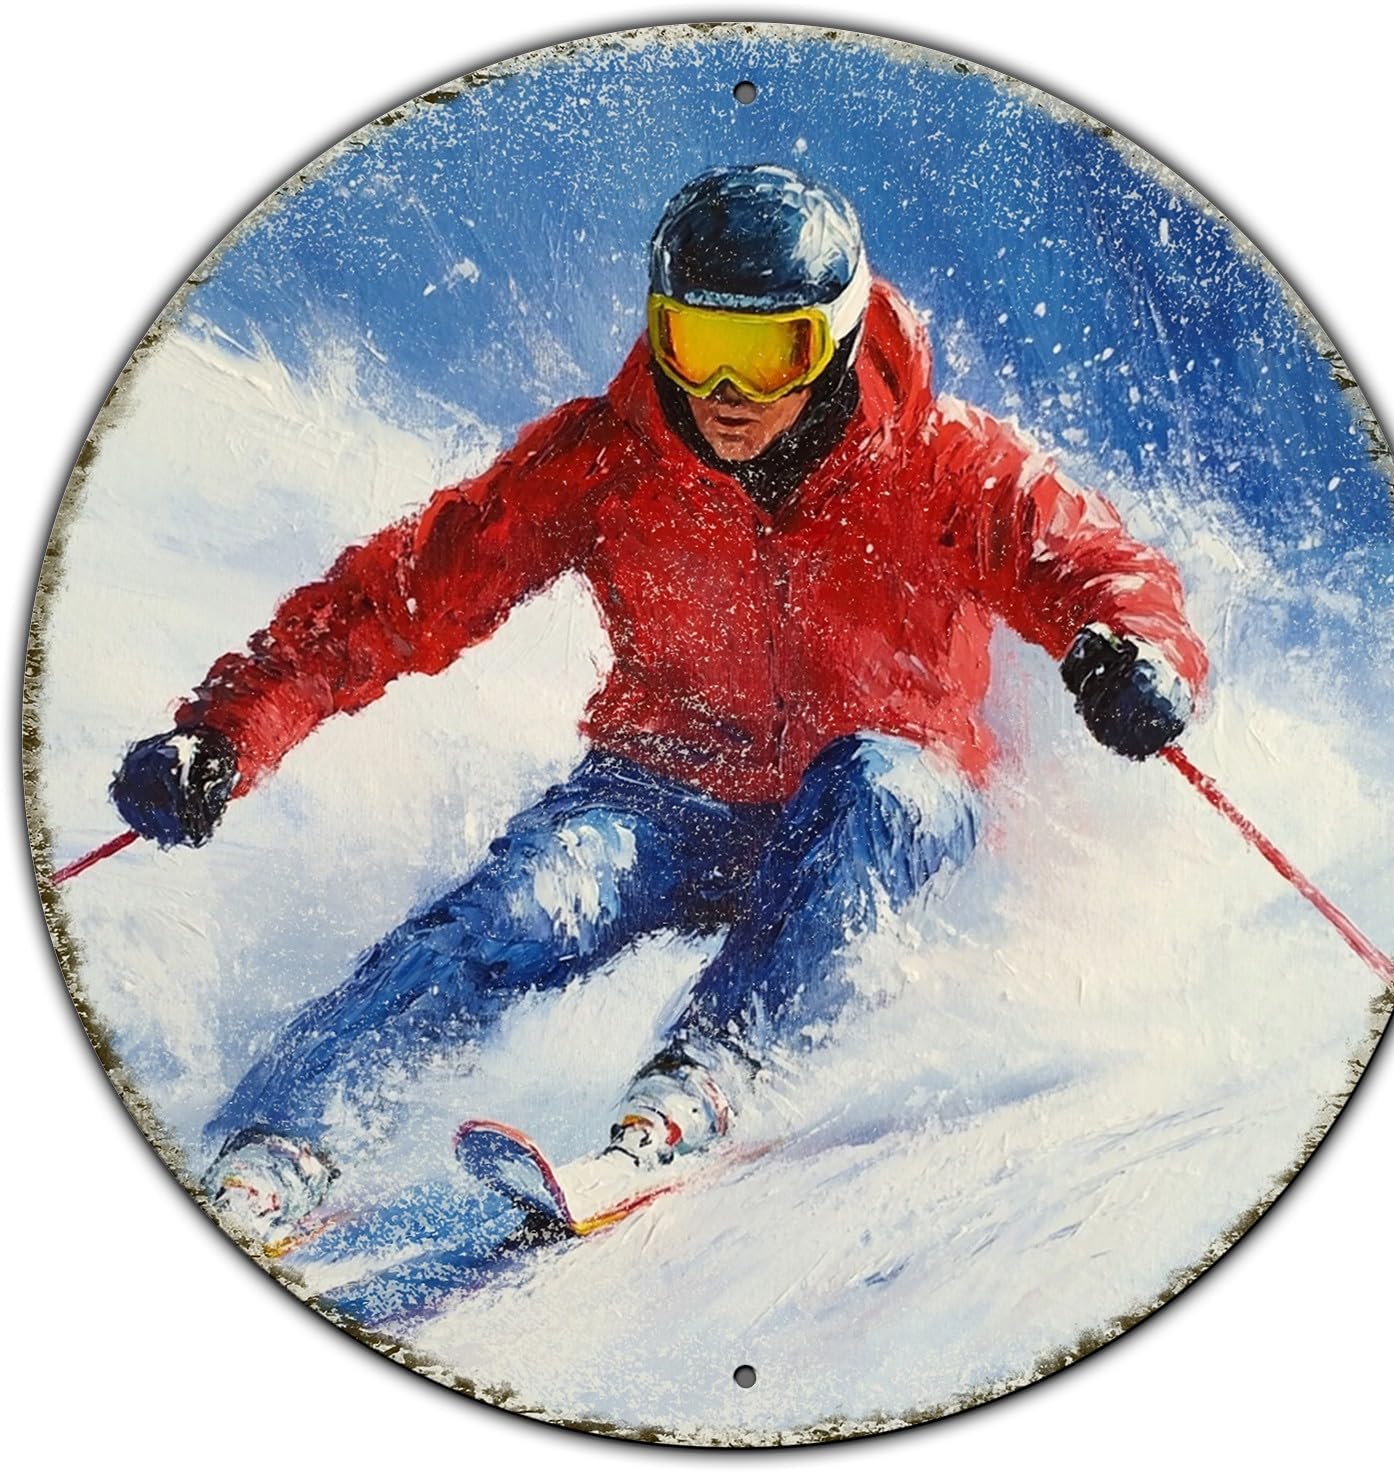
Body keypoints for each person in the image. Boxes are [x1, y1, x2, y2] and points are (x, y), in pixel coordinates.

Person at [111, 165, 1207, 1237]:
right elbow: (401, 597)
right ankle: (281, 1140)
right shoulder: (608, 458)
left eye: (766, 354)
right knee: (525, 901)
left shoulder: (944, 463)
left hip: (884, 794)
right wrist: (224, 733)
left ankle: (708, 1075)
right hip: (665, 792)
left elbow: (1101, 567)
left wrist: (1133, 659)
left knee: (874, 786)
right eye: (693, 343)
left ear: (831, 339)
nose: (724, 391)